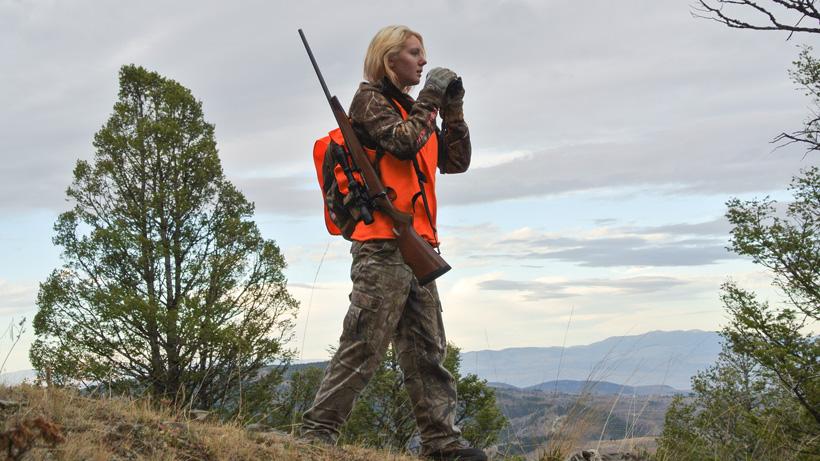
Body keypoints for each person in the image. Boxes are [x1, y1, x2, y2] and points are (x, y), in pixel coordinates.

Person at [300, 25, 485, 461]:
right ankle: (315, 434)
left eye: (423, 54)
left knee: (427, 352)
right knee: (365, 343)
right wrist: (431, 98)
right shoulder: (369, 101)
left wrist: (453, 109)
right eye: (414, 53)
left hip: (417, 245)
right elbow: (403, 144)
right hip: (382, 246)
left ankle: (441, 443)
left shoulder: (413, 110)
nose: (423, 61)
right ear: (389, 59)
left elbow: (456, 161)